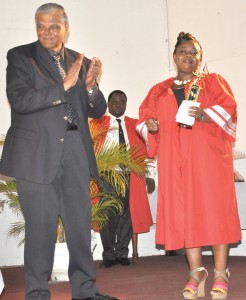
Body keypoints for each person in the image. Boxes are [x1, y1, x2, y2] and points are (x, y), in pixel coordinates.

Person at [0, 3, 118, 300]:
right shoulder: (20, 56)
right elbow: (20, 100)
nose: (46, 32)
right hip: (36, 155)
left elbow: (98, 109)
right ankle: (38, 294)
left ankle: (85, 291)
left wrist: (90, 86)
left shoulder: (80, 60)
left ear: (66, 26)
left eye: (53, 26)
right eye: (41, 26)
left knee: (79, 226)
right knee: (40, 229)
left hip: (75, 151)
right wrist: (64, 86)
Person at [136, 32, 241, 300]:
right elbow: (145, 120)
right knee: (185, 215)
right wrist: (151, 127)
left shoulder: (213, 82)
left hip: (208, 161)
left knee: (216, 212)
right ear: (174, 56)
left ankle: (220, 272)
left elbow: (229, 111)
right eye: (183, 51)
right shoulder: (159, 90)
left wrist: (206, 114)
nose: (188, 56)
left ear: (199, 58)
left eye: (194, 52)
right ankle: (196, 271)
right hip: (175, 162)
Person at [90, 90, 154, 268]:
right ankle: (109, 255)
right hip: (107, 176)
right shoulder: (97, 124)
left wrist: (149, 176)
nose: (118, 104)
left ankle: (122, 253)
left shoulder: (134, 125)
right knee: (108, 216)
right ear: (108, 104)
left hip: (130, 176)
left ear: (125, 104)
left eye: (122, 102)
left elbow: (146, 151)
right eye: (115, 101)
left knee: (128, 215)